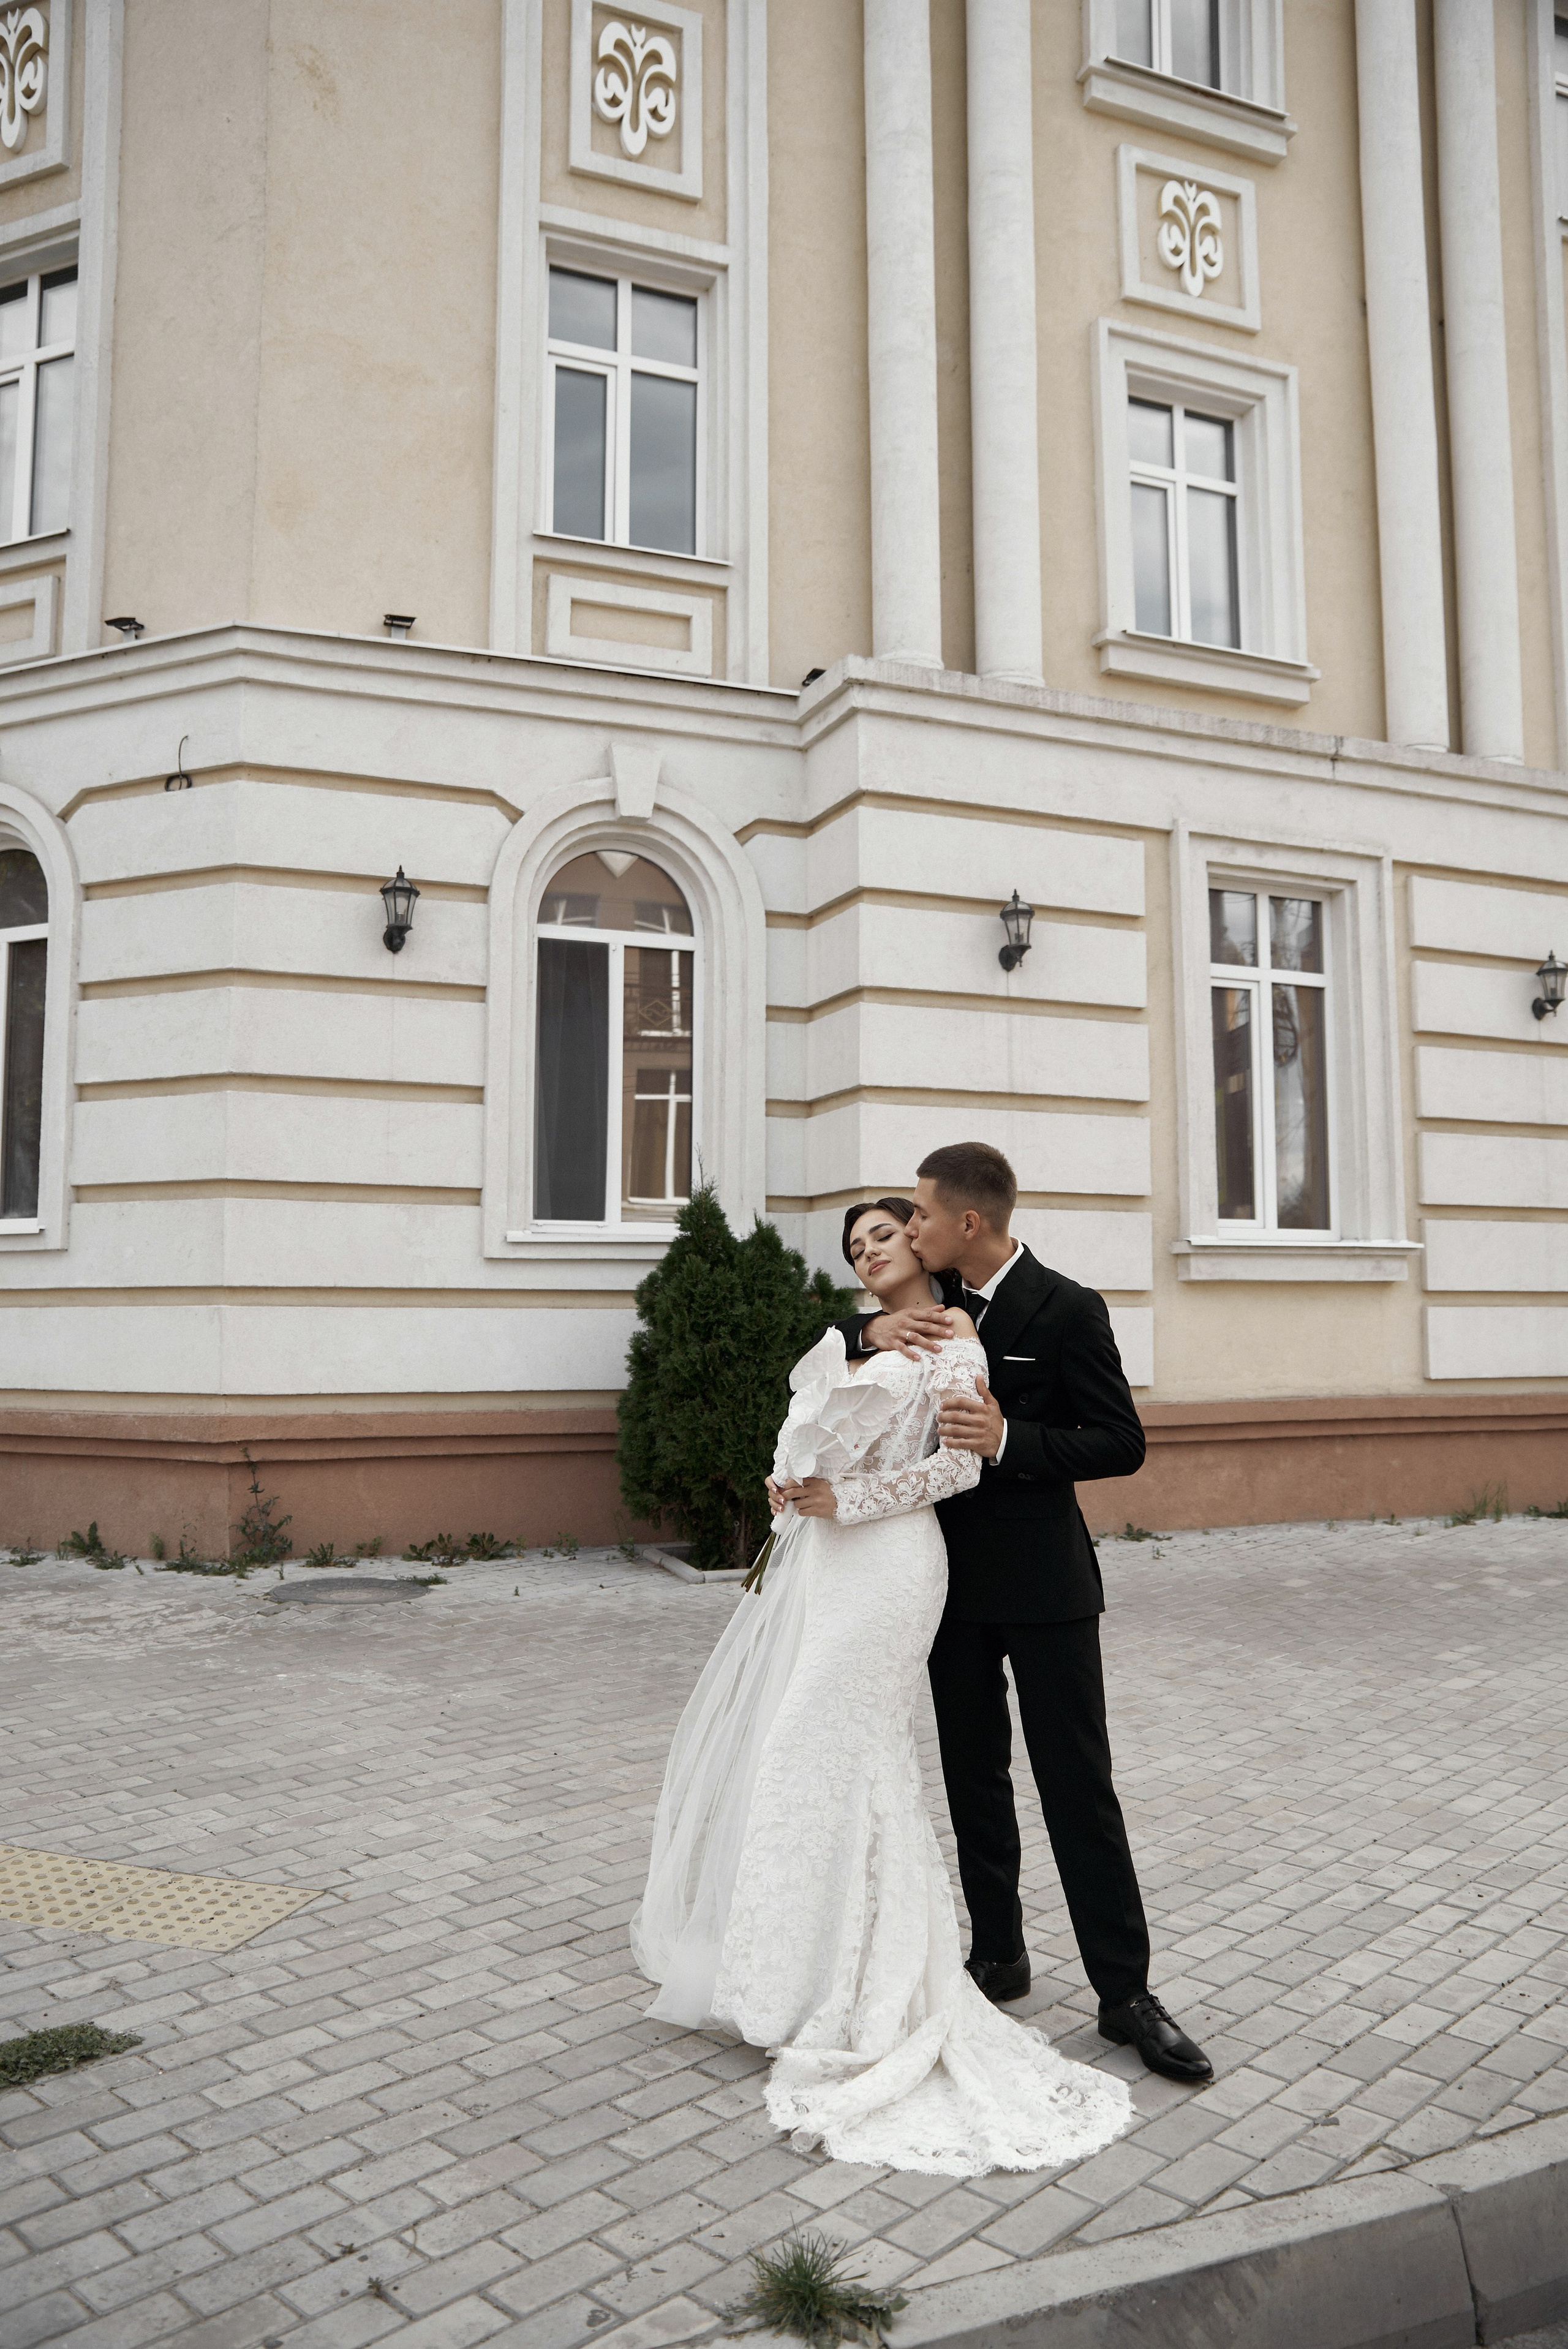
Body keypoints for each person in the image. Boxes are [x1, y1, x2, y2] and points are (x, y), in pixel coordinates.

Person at [630, 1199, 1133, 2176]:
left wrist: (847, 1498)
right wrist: (792, 1484)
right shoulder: (859, 1336)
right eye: (856, 1246)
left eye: (885, 1236)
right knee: (836, 1761)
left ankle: (902, 1980)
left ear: (925, 1239)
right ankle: (808, 1970)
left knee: (824, 1749)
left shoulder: (954, 1339)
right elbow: (812, 1427)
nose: (868, 1252)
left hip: (896, 1563)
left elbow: (960, 1467)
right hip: (833, 1566)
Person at [835, 1141, 1211, 2086]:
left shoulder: (1069, 1307)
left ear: (968, 1222)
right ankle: (998, 1954)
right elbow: (836, 1342)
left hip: (1047, 1590)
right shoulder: (927, 1304)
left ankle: (1126, 1994)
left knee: (1078, 1788)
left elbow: (1119, 1441)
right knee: (973, 1781)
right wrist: (866, 1329)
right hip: (949, 1589)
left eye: (920, 1213)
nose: (908, 1227)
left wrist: (1012, 1438)